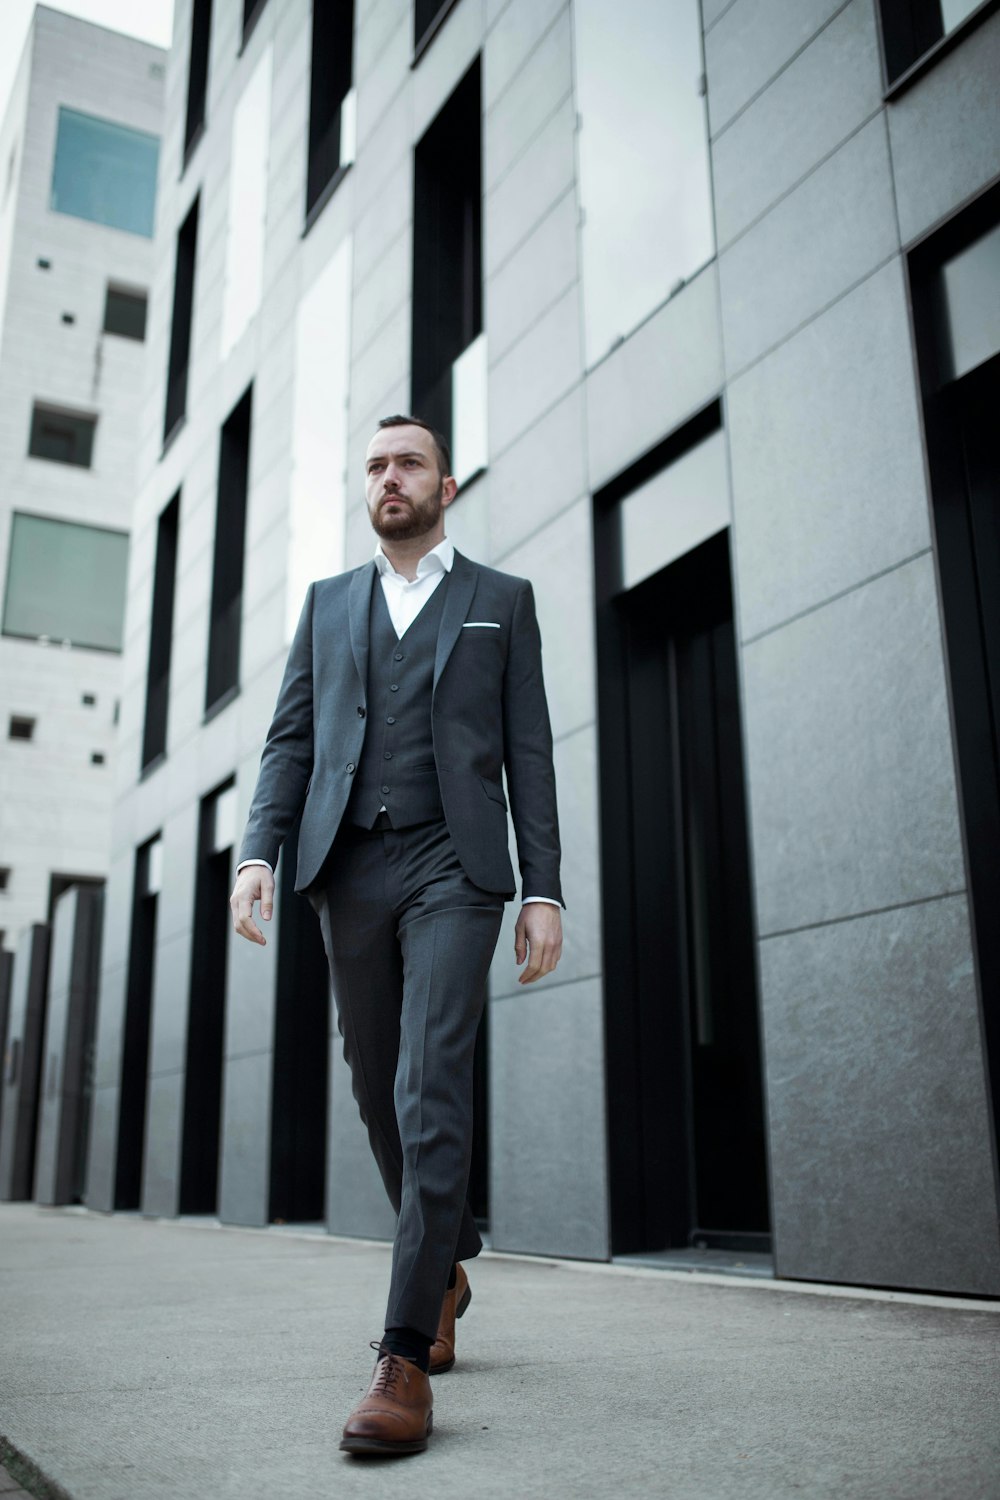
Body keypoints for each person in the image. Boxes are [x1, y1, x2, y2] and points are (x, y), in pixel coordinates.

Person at [229, 415, 564, 1456]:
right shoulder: (329, 607)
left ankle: (404, 1354)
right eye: (373, 464)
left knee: (431, 1083)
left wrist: (542, 888)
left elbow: (529, 752)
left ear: (446, 486)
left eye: (407, 462)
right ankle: (447, 1254)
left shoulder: (500, 603)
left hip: (454, 868)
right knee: (375, 1082)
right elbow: (291, 740)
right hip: (348, 870)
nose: (389, 477)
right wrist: (258, 856)